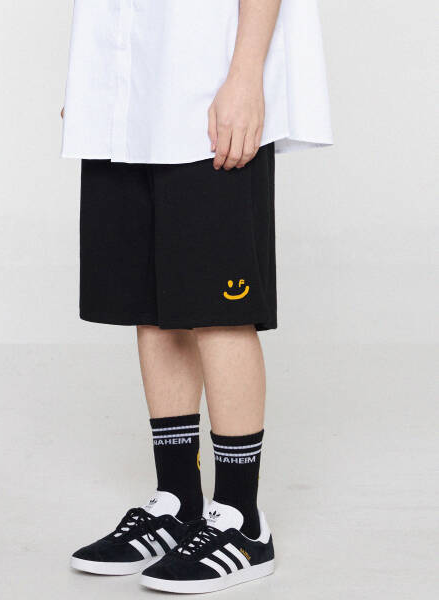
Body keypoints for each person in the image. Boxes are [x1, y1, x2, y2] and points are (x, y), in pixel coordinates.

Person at [61, 0, 332, 593]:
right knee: (152, 307)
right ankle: (178, 501)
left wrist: (246, 76)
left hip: (208, 88)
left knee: (218, 312)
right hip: (127, 95)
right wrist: (95, 79)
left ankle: (241, 519)